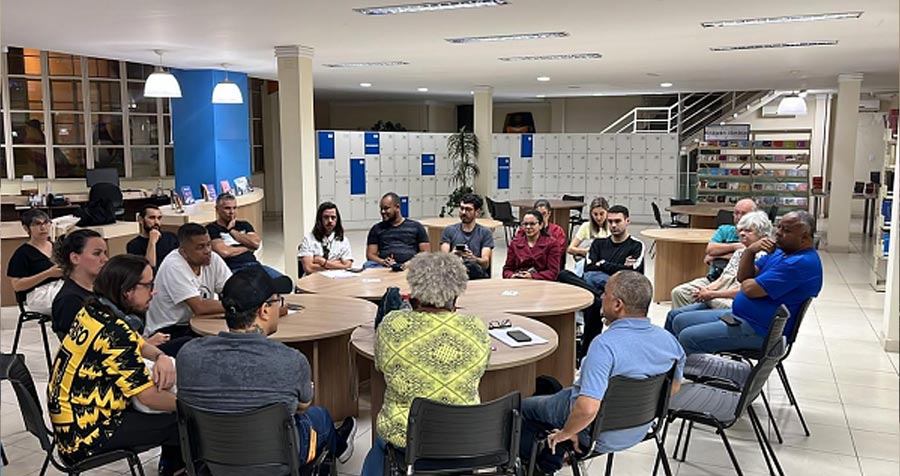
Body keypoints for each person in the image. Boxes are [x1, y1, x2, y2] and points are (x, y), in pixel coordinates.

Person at [176, 266, 357, 476]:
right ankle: (337, 449)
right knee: (321, 416)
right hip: (279, 461)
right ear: (264, 310)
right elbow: (303, 406)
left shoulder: (188, 355)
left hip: (210, 459)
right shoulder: (290, 360)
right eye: (277, 301)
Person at [519, 271, 685, 474]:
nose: (601, 298)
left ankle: (541, 465)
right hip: (640, 428)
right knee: (551, 387)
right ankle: (553, 451)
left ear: (618, 305)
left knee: (520, 408)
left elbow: (588, 408)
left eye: (605, 293)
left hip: (597, 432)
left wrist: (567, 432)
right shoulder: (670, 342)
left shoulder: (605, 346)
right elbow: (673, 389)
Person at [47, 254, 182, 475]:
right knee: (183, 421)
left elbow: (140, 344)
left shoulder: (94, 311)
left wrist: (161, 358)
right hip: (84, 436)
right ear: (128, 291)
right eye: (149, 286)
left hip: (71, 424)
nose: (154, 292)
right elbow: (149, 397)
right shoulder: (114, 332)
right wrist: (196, 407)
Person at [361, 252, 491, 476]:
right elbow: (482, 367)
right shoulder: (476, 327)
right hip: (463, 440)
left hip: (406, 441)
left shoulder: (392, 324)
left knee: (377, 453)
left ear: (414, 293)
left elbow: (380, 365)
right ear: (456, 296)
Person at [671, 211, 823, 355]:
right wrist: (750, 251)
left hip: (760, 330)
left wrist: (750, 282)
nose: (778, 233)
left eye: (786, 230)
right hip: (741, 317)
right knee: (678, 320)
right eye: (779, 227)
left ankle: (690, 376)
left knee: (688, 337)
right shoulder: (781, 252)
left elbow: (749, 288)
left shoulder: (800, 263)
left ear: (804, 237)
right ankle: (664, 371)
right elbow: (742, 277)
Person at [668, 211, 772, 314]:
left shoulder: (764, 257)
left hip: (732, 300)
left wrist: (712, 294)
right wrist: (705, 289)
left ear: (762, 234)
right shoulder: (740, 252)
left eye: (748, 231)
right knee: (679, 297)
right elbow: (724, 278)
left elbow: (745, 290)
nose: (742, 234)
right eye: (741, 230)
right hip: (721, 291)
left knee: (683, 316)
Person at [145, 223, 232, 339]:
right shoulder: (174, 265)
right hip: (168, 330)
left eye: (209, 245)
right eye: (200, 247)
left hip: (199, 323)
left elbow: (233, 289)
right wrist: (237, 305)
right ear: (183, 252)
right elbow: (199, 307)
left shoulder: (212, 258)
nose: (207, 251)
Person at [206, 192, 284, 278]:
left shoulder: (244, 224)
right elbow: (224, 252)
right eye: (227, 208)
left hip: (255, 265)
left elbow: (256, 244)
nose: (232, 212)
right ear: (217, 209)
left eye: (234, 208)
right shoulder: (211, 228)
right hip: (233, 268)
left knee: (285, 282)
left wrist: (232, 231)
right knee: (256, 288)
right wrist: (247, 247)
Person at [51, 229, 108, 338]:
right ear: (75, 258)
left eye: (105, 253)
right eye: (97, 254)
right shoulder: (69, 301)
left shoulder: (102, 290)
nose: (105, 259)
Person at [6, 209, 63, 314]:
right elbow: (17, 285)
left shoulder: (58, 247)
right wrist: (48, 274)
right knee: (69, 302)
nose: (43, 228)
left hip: (61, 286)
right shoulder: (22, 253)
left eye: (46, 223)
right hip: (38, 294)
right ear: (26, 228)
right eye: (37, 224)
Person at [582, 205, 645, 294]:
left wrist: (602, 264)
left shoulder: (636, 245)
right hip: (600, 286)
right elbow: (588, 268)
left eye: (617, 221)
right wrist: (621, 267)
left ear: (627, 221)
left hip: (623, 290)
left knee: (590, 278)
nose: (613, 225)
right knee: (566, 275)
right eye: (610, 222)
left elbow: (631, 273)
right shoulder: (598, 243)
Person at [365, 192, 429, 269]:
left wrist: (409, 263)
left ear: (397, 207)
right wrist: (383, 261)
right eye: (381, 209)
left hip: (411, 266)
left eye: (386, 208)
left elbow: (425, 253)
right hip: (384, 267)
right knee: (368, 265)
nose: (382, 212)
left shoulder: (416, 227)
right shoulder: (376, 229)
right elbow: (370, 255)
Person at [439, 193, 494, 280]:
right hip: (454, 273)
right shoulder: (449, 230)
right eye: (462, 208)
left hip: (476, 274)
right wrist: (452, 255)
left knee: (471, 265)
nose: (464, 212)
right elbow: (442, 261)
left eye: (468, 209)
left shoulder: (485, 232)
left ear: (477, 212)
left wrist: (473, 258)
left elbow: (485, 263)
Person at [503, 209, 563, 281]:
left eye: (532, 224)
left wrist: (532, 276)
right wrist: (512, 276)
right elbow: (507, 270)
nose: (528, 227)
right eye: (525, 224)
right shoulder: (515, 243)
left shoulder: (552, 244)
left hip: (542, 284)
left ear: (540, 225)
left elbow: (553, 273)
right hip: (518, 282)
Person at [298, 201, 354, 275]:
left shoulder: (343, 240)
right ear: (320, 219)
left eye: (333, 217)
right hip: (314, 280)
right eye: (326, 217)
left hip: (336, 279)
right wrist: (337, 264)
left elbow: (347, 266)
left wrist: (322, 262)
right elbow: (309, 268)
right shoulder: (308, 239)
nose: (330, 221)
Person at [704, 198, 758, 273]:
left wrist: (716, 256)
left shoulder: (756, 235)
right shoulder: (724, 230)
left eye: (744, 214)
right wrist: (735, 246)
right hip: (714, 276)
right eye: (736, 213)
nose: (739, 217)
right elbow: (710, 249)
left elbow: (746, 259)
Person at [566, 197, 610, 277]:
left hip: (605, 263)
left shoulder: (612, 227)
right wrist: (585, 251)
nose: (598, 218)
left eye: (602, 214)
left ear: (607, 212)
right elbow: (570, 249)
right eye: (595, 214)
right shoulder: (586, 226)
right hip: (586, 261)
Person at [127, 204, 179, 269]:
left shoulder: (171, 237)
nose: (156, 222)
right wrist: (152, 242)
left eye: (159, 218)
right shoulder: (134, 245)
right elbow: (149, 269)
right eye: (152, 218)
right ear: (140, 219)